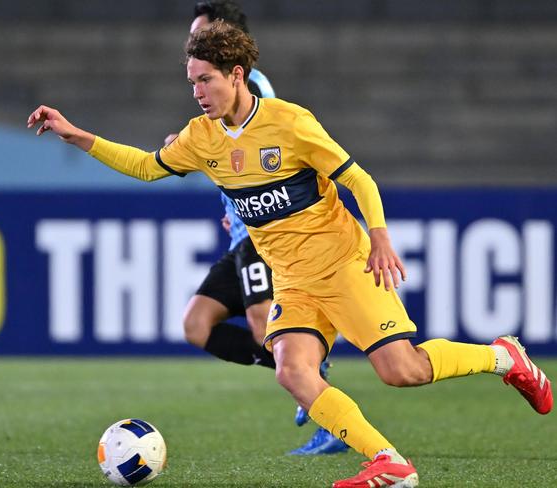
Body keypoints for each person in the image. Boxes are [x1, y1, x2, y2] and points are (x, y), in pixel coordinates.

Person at [27, 21, 553, 488]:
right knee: (292, 370)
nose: (196, 92)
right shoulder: (200, 138)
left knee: (401, 371)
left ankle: (503, 356)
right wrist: (73, 134)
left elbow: (358, 178)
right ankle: (390, 463)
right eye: (191, 81)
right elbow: (146, 166)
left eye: (204, 79)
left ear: (236, 75)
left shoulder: (291, 124)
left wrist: (380, 237)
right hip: (294, 280)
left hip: (344, 264)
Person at [168, 0, 345, 456]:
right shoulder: (215, 96)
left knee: (262, 322)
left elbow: (264, 157)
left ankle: (321, 398)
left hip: (264, 233)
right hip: (240, 231)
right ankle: (310, 374)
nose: (191, 43)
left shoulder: (254, 93)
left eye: (199, 34)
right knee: (196, 325)